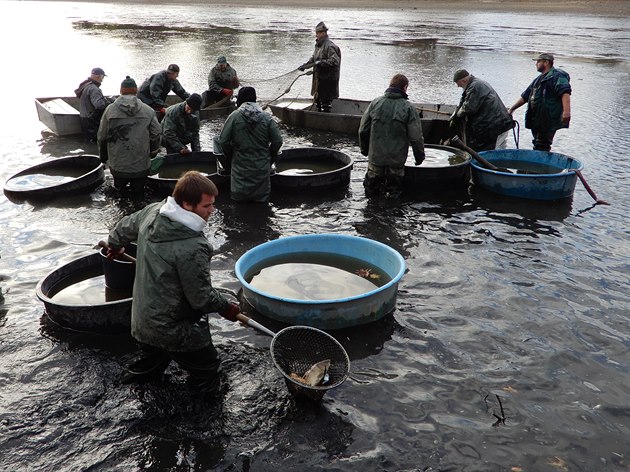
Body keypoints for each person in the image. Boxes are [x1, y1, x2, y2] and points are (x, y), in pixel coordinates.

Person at [106, 171, 241, 395]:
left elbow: (123, 228)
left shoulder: (152, 212)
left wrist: (114, 244)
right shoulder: (193, 246)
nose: (212, 211)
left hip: (142, 320)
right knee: (207, 371)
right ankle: (204, 420)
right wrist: (225, 307)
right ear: (187, 204)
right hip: (175, 329)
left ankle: (122, 392)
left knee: (149, 365)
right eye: (207, 206)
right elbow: (200, 298)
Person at [358, 74, 425, 198]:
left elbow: (363, 130)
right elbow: (416, 138)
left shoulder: (375, 103)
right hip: (396, 162)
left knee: (371, 193)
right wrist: (419, 157)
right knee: (394, 194)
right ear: (405, 87)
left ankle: (370, 214)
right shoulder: (409, 108)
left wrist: (365, 150)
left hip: (375, 160)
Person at [97, 76, 162, 196]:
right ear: (136, 91)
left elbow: (102, 137)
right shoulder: (148, 110)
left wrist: (103, 157)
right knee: (139, 195)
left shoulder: (109, 110)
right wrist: (153, 152)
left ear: (121, 91)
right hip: (141, 166)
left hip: (118, 165)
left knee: (119, 195)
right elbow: (156, 134)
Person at [218, 87, 283, 202]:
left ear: (241, 100)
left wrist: (231, 156)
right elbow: (278, 141)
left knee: (238, 205)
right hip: (261, 168)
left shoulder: (234, 117)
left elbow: (223, 141)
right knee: (262, 206)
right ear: (255, 99)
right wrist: (270, 157)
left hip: (240, 169)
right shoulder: (266, 118)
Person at [507, 53, 572, 151]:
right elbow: (525, 96)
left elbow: (565, 92)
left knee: (542, 144)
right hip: (536, 119)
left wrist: (566, 113)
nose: (536, 64)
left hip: (548, 118)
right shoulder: (538, 80)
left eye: (538, 61)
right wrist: (512, 109)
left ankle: (541, 164)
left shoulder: (557, 76)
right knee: (537, 143)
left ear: (546, 62)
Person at [450, 69, 514, 152]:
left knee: (494, 152)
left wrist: (457, 116)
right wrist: (455, 115)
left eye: (458, 84)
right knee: (490, 151)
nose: (458, 86)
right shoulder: (474, 84)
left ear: (464, 80)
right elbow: (463, 101)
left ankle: (493, 164)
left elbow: (468, 108)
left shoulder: (475, 87)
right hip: (496, 124)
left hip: (496, 126)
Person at [297, 21, 341, 113]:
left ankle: (326, 121)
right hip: (319, 80)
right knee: (317, 100)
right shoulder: (318, 46)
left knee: (326, 102)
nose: (316, 35)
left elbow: (335, 61)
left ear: (324, 33)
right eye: (316, 33)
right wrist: (305, 66)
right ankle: (318, 117)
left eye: (318, 33)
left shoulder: (330, 46)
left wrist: (321, 62)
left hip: (328, 81)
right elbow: (313, 59)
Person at [74, 67, 112, 142]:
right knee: (95, 141)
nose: (102, 79)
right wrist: (109, 104)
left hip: (84, 118)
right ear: (99, 76)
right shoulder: (94, 89)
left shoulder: (86, 85)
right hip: (91, 121)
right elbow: (100, 106)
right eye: (103, 77)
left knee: (88, 141)